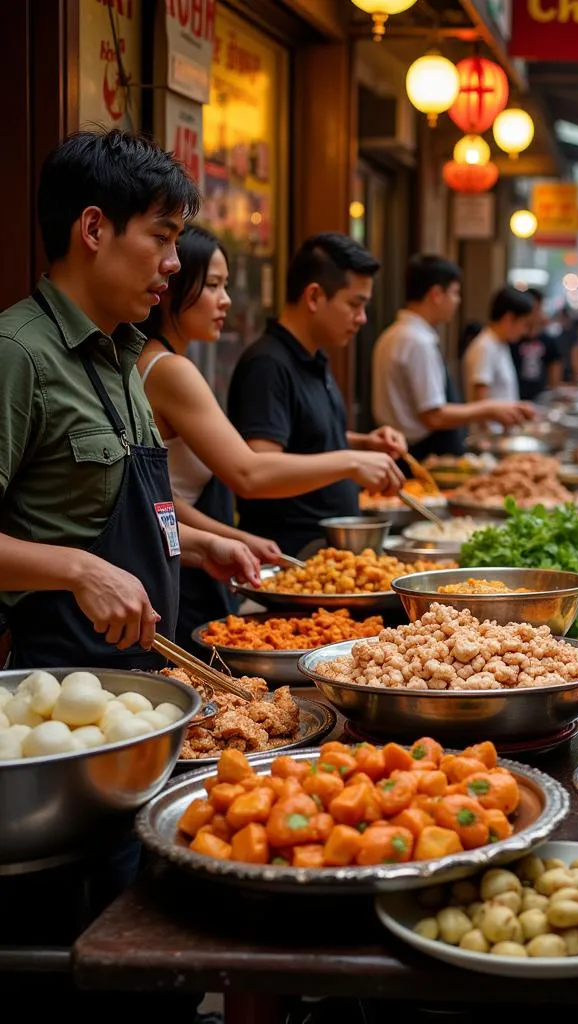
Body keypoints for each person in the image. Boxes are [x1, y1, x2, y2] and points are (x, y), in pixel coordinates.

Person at [0, 128, 260, 1024]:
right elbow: (69, 546)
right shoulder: (19, 354)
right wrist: (74, 569)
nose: (175, 261)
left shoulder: (123, 357)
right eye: (162, 234)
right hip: (56, 728)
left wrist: (198, 541)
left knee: (159, 962)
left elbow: (122, 503)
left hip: (145, 714)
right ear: (94, 229)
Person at [138, 226, 406, 649]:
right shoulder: (172, 369)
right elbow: (249, 470)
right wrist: (352, 462)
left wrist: (233, 539)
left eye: (225, 285)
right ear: (170, 285)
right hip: (179, 578)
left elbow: (166, 499)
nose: (226, 300)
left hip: (193, 563)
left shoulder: (165, 362)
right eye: (212, 286)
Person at [227, 233, 407, 557]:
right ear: (314, 297)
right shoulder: (267, 364)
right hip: (293, 558)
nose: (362, 318)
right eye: (355, 304)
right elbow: (260, 468)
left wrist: (365, 444)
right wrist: (351, 462)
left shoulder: (313, 357)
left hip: (330, 553)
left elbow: (307, 437)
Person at [372, 255, 534, 460]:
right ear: (436, 294)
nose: (457, 301)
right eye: (455, 293)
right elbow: (434, 416)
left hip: (408, 449)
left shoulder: (395, 333)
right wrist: (489, 409)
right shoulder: (416, 341)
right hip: (418, 453)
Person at [462, 285, 536, 403]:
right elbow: (481, 402)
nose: (524, 331)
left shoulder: (500, 344)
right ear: (509, 318)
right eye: (523, 324)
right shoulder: (484, 347)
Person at [511, 287, 563, 400]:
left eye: (539, 308)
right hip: (515, 398)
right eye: (534, 308)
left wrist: (554, 394)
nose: (536, 313)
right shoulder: (513, 338)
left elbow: (555, 372)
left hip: (541, 399)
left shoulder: (548, 339)